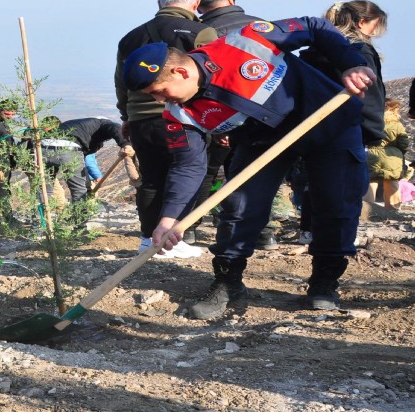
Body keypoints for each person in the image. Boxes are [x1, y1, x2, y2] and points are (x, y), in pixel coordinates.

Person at [122, 16, 376, 320]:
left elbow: (314, 26)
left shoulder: (247, 42)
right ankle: (228, 284)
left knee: (337, 203)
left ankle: (324, 281)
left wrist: (350, 64)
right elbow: (188, 166)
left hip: (328, 123)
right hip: (260, 142)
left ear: (180, 71)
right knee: (239, 207)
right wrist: (168, 219)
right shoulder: (178, 113)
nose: (159, 100)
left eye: (159, 91)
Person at [114, 0, 217, 256]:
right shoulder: (201, 31)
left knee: (150, 178)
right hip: (184, 118)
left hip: (141, 120)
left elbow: (121, 83)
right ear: (196, 5)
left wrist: (127, 115)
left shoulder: (131, 37)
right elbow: (212, 77)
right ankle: (176, 239)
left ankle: (149, 240)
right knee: (188, 172)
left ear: (160, 4)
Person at [195, 0, 277, 250]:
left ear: (198, 5)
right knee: (254, 175)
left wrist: (218, 127)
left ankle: (190, 230)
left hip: (217, 117)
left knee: (205, 173)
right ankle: (263, 233)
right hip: (263, 117)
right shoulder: (261, 27)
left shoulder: (204, 33)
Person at [300, 0, 388, 148]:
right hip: (347, 134)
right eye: (375, 25)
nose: (375, 32)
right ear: (361, 22)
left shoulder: (313, 52)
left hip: (307, 133)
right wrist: (374, 134)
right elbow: (368, 97)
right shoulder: (358, 54)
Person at [365, 99, 410, 208]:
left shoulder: (373, 121)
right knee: (392, 182)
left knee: (371, 181)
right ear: (395, 109)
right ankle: (392, 209)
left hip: (372, 153)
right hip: (392, 156)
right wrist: (399, 151)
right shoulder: (397, 125)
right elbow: (404, 142)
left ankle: (367, 209)